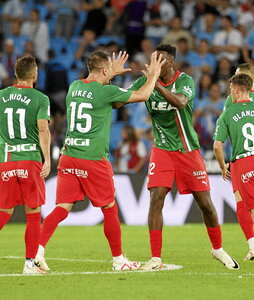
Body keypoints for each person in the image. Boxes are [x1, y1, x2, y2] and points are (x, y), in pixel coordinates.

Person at [35, 51, 165, 271]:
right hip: (93, 158)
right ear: (104, 70)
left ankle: (36, 253)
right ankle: (118, 260)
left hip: (69, 156)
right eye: (108, 71)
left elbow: (100, 94)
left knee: (62, 208)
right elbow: (142, 95)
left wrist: (110, 73)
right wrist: (153, 75)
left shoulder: (75, 87)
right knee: (109, 207)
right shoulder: (106, 92)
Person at [129, 44, 239, 270]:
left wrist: (155, 83)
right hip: (161, 150)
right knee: (155, 199)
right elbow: (122, 99)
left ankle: (217, 249)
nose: (155, 64)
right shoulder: (145, 81)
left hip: (188, 150)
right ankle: (156, 258)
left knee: (205, 204)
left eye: (160, 60)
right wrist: (109, 81)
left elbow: (180, 102)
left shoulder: (185, 81)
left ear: (171, 63)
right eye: (153, 59)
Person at [0, 56, 51, 274]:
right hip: (29, 160)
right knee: (33, 212)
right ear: (33, 74)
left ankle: (31, 262)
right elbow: (43, 129)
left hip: (6, 159)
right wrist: (47, 158)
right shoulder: (40, 98)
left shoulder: (1, 96)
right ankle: (30, 263)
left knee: (4, 210)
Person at [213, 73, 254, 261]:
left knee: (242, 205)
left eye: (231, 90)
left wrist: (223, 166)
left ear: (236, 90)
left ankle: (253, 247)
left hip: (243, 162)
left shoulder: (227, 113)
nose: (230, 93)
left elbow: (217, 145)